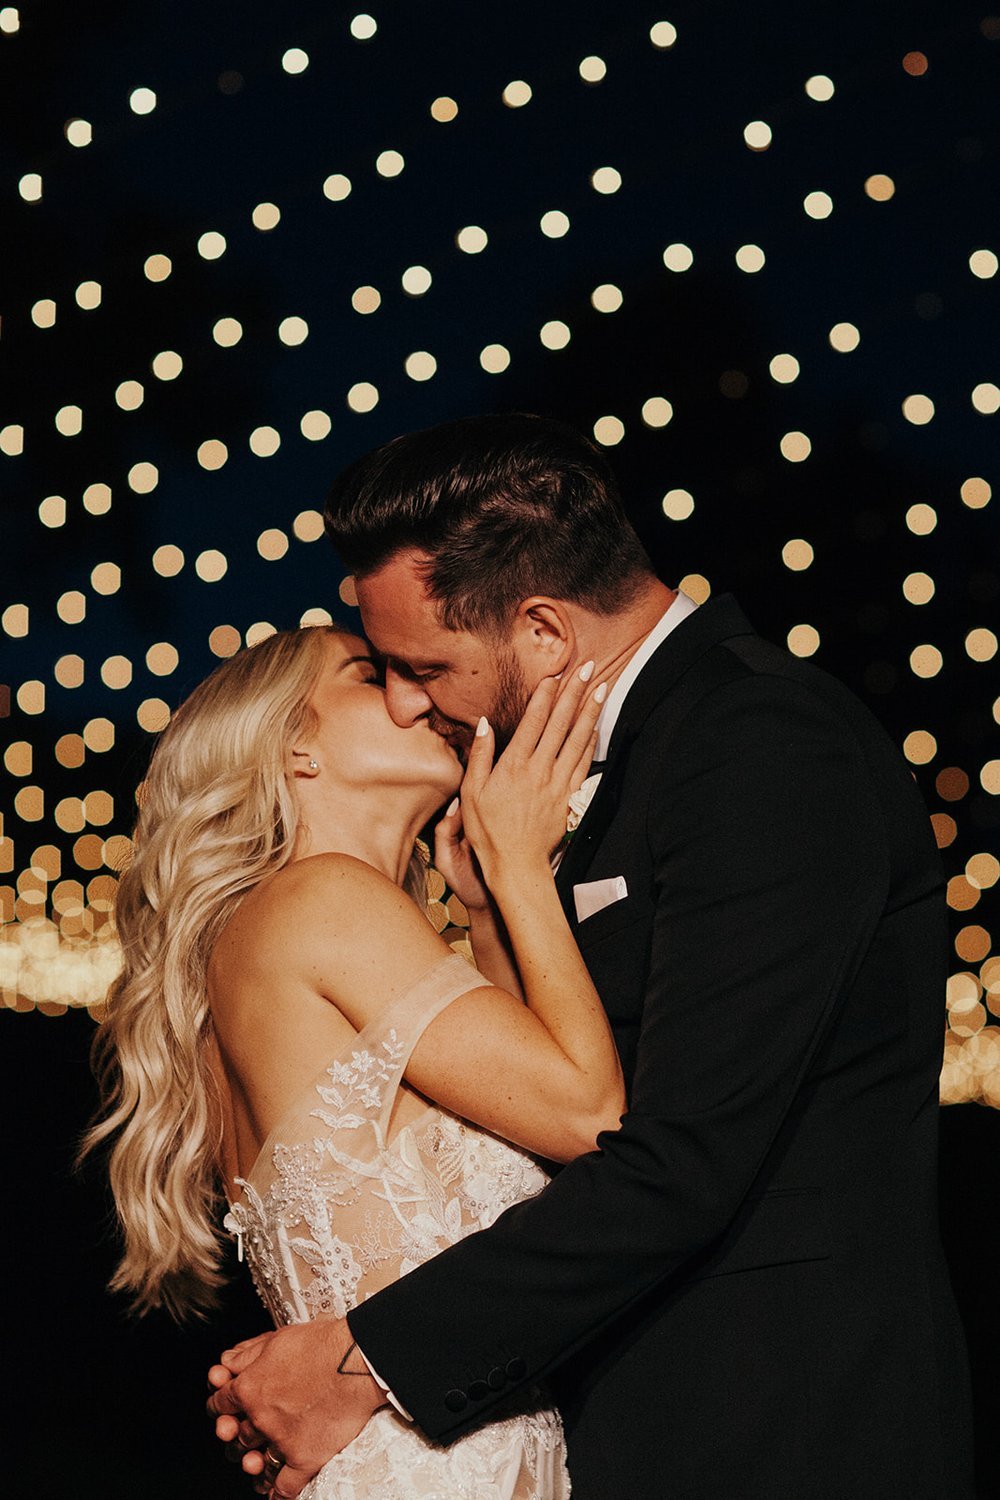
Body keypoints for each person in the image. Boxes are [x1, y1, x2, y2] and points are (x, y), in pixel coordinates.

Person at [208, 413, 975, 1499]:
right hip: (607, 1418)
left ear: (545, 631)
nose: (409, 700)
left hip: (777, 1420)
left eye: (427, 665)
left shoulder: (756, 743)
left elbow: (683, 1155)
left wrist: (364, 1360)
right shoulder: (565, 782)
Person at [82, 620, 626, 1499]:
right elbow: (592, 1119)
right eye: (370, 674)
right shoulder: (325, 899)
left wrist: (486, 912)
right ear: (294, 744)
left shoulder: (278, 930)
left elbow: (532, 1099)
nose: (415, 694)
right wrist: (523, 866)